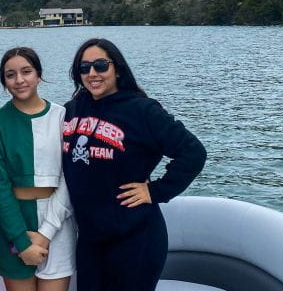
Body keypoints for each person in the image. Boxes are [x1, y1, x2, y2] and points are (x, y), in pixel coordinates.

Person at [61, 38, 207, 291]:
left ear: (117, 68)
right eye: (84, 68)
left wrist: (155, 191)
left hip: (134, 237)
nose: (92, 73)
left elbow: (193, 152)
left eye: (100, 65)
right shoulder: (72, 109)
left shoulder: (142, 110)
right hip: (90, 237)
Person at [0, 47, 76, 291]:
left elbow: (69, 178)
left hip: (57, 224)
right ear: (4, 82)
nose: (19, 80)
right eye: (10, 75)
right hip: (12, 226)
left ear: (38, 74)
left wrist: (46, 232)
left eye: (26, 71)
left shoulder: (62, 116)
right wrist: (21, 242)